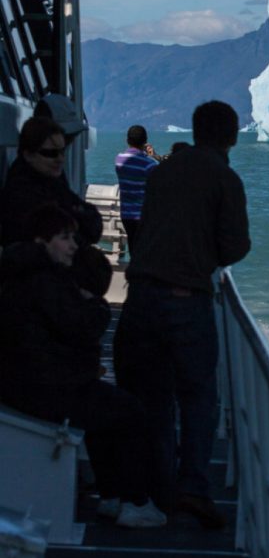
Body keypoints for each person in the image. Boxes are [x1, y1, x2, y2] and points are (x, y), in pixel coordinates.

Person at [114, 101, 250, 529]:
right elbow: (234, 248)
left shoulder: (162, 173)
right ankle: (193, 488)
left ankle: (156, 490)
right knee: (197, 398)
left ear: (194, 131)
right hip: (186, 301)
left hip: (141, 298)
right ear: (232, 137)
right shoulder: (225, 179)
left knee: (151, 398)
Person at [0, 204, 166, 529]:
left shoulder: (21, 274)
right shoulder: (43, 281)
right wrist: (98, 305)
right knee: (130, 413)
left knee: (104, 412)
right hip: (44, 388)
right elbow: (80, 326)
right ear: (41, 241)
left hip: (27, 382)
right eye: (64, 238)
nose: (74, 245)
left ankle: (111, 496)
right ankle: (135, 501)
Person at [0, 116, 101, 248]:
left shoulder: (53, 179)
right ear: (28, 155)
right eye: (51, 153)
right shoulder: (21, 194)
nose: (60, 159)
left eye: (62, 151)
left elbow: (93, 228)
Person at [114, 125, 160, 250]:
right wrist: (153, 156)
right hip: (143, 217)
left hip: (126, 216)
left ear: (127, 140)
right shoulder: (149, 164)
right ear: (145, 142)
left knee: (133, 248)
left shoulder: (119, 159)